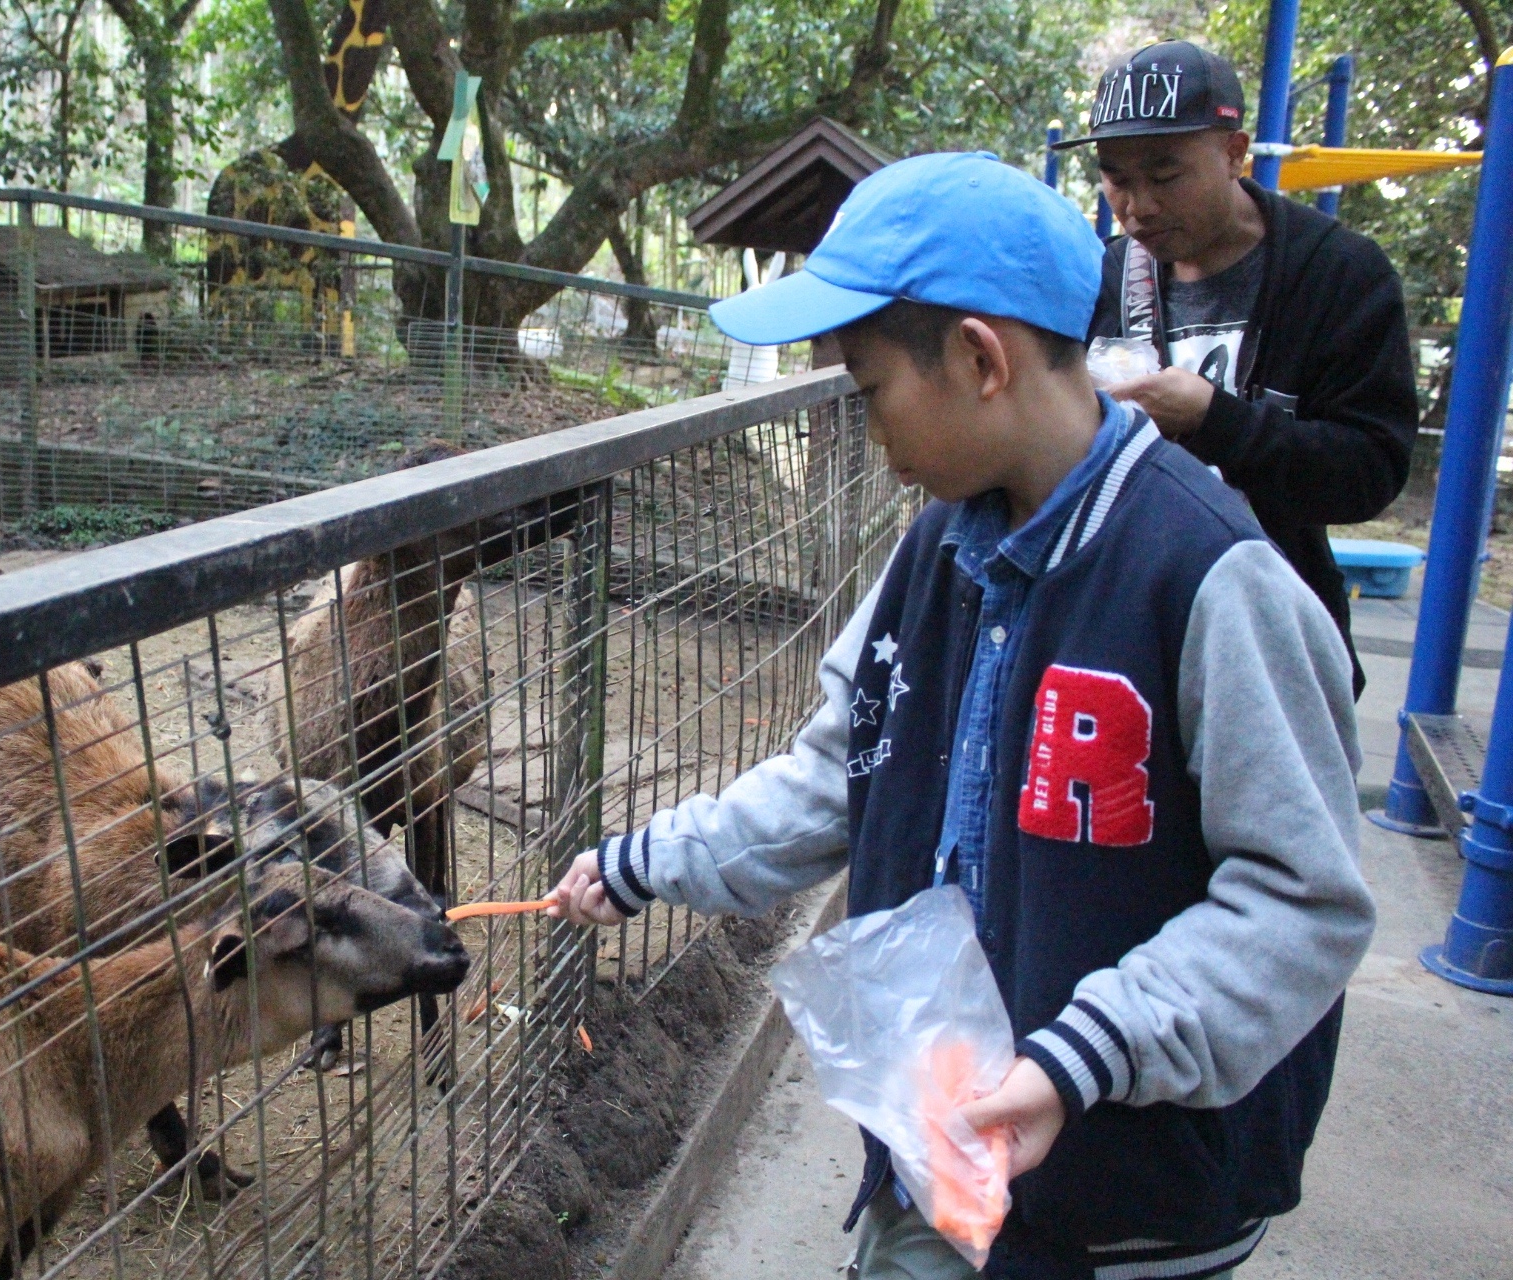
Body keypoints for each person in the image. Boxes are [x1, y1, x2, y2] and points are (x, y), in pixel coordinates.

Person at [547, 152, 1375, 1280]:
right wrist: (650, 861)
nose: (868, 430)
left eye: (871, 388)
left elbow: (1302, 902)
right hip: (948, 1160)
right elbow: (839, 773)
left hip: (1125, 1207)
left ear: (981, 358)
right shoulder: (936, 550)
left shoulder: (1211, 579)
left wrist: (1083, 1054)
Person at [1055, 40, 1419, 697]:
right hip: (1124, 642)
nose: (1137, 205)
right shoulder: (1104, 276)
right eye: (1115, 178)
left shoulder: (1338, 275)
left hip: (1274, 650)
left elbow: (1371, 473)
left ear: (1233, 152)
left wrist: (1214, 421)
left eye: (1164, 175)